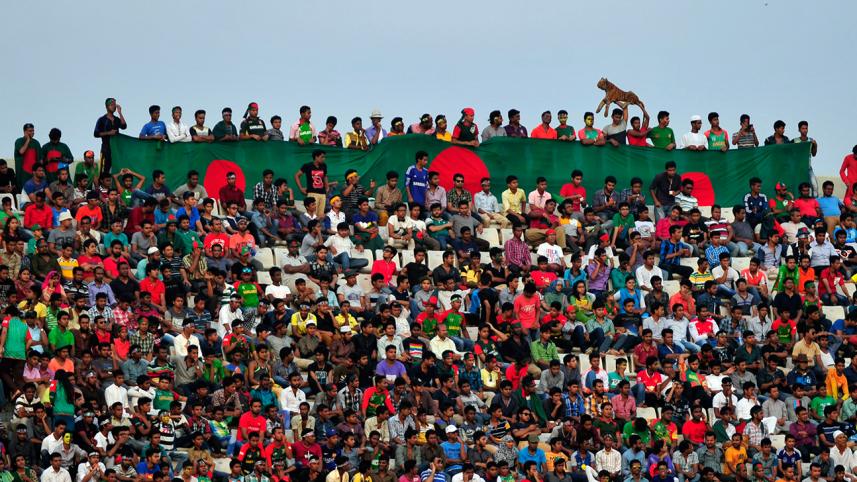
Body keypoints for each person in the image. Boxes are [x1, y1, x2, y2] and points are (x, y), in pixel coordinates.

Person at [93, 98, 127, 175]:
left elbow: (124, 126)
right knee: (105, 169)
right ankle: (103, 185)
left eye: (115, 105)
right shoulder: (102, 119)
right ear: (107, 107)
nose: (114, 106)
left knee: (117, 168)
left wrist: (120, 113)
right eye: (112, 105)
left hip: (116, 148)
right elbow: (96, 134)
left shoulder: (117, 119)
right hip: (106, 148)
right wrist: (108, 133)